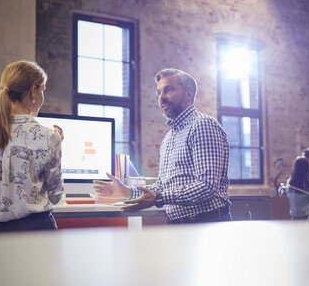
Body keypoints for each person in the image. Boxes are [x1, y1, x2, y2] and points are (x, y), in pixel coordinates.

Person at [94, 68, 231, 223]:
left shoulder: (202, 126)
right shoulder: (169, 138)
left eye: (169, 90)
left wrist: (159, 197)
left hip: (206, 220)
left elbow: (207, 186)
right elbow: (162, 186)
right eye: (159, 93)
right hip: (179, 222)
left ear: (188, 94)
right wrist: (127, 192)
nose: (161, 98)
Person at [0, 60, 64, 233]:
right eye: (43, 90)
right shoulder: (48, 136)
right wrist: (55, 146)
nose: (43, 96)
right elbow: (56, 194)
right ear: (33, 90)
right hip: (37, 231)